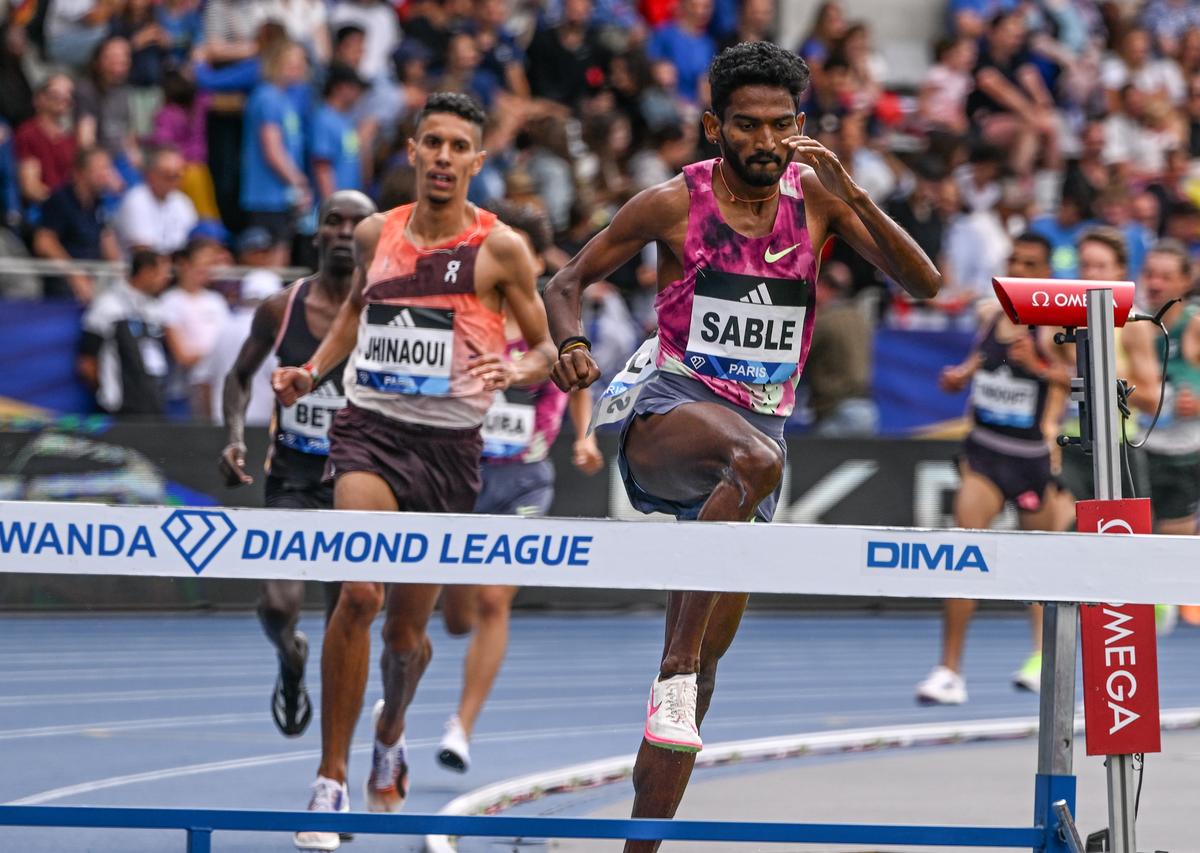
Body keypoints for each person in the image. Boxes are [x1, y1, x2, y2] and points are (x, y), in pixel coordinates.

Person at [543, 42, 939, 848]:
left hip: (758, 440)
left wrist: (856, 190)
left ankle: (642, 834)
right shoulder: (671, 203)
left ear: (801, 126)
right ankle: (672, 668)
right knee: (755, 465)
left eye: (781, 126)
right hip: (673, 415)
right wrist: (571, 341)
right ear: (713, 125)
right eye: (747, 126)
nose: (765, 141)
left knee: (703, 683)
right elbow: (565, 282)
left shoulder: (820, 200)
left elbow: (925, 283)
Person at [271, 93, 556, 852]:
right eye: (431, 141)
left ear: (476, 160)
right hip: (369, 430)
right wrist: (310, 370)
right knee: (358, 592)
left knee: (406, 635)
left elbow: (547, 349)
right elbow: (357, 316)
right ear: (411, 150)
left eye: (458, 145)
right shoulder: (376, 233)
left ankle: (389, 729)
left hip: (450, 451)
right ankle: (329, 781)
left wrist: (516, 363)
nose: (442, 156)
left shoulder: (502, 249)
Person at [436, 200, 605, 774]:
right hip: (461, 477)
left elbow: (579, 380)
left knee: (493, 598)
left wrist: (584, 436)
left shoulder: (557, 317)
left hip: (525, 482)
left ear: (534, 257)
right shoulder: (468, 311)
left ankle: (461, 727)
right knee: (457, 615)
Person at [219, 191, 377, 739]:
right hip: (293, 479)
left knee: (348, 625)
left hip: (360, 486)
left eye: (358, 223)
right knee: (276, 605)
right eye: (333, 221)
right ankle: (290, 657)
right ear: (316, 234)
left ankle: (334, 768)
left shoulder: (387, 317)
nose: (344, 231)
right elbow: (239, 376)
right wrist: (235, 437)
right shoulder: (281, 309)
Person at [914, 234, 1074, 706]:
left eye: (1031, 263)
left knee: (1041, 565)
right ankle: (949, 670)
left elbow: (1085, 380)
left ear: (1045, 273)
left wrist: (1043, 368)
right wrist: (958, 377)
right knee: (965, 553)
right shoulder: (990, 315)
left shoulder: (1052, 326)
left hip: (1030, 460)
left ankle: (1043, 659)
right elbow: (976, 365)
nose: (1020, 269)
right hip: (984, 454)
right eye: (1014, 261)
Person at [76, 248, 173, 416]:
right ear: (146, 272)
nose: (167, 279)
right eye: (162, 273)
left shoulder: (157, 308)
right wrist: (107, 391)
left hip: (153, 406)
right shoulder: (107, 306)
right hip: (119, 409)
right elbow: (87, 362)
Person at [32, 146, 120, 302]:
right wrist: (74, 274)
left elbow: (107, 241)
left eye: (108, 169)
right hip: (63, 286)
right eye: (100, 169)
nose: (106, 175)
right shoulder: (60, 200)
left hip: (94, 280)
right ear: (80, 173)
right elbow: (44, 242)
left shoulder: (98, 203)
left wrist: (121, 274)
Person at [113, 145, 197, 255]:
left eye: (178, 175)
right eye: (168, 175)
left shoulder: (183, 202)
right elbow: (143, 254)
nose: (174, 181)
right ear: (150, 174)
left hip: (176, 267)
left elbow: (193, 244)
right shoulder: (135, 199)